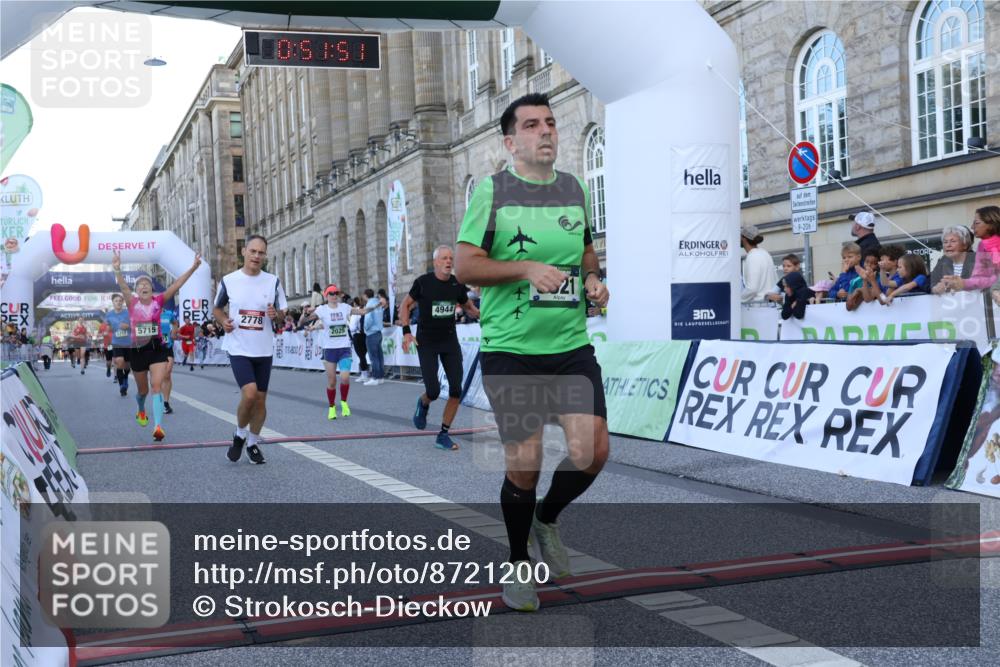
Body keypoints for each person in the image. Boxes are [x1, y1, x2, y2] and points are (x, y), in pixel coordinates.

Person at [455, 92, 611, 612]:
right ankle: (519, 562)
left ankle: (546, 517)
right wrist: (524, 269)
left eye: (550, 123)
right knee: (525, 462)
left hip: (569, 345)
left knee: (593, 453)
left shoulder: (574, 189)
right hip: (513, 351)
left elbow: (587, 247)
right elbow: (465, 267)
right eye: (531, 125)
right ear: (510, 141)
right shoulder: (492, 192)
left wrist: (591, 277)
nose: (545, 131)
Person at [213, 235, 287, 465]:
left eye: (261, 253)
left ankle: (252, 443)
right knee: (250, 394)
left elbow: (283, 312)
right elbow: (216, 308)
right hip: (239, 347)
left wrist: (278, 315)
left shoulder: (273, 281)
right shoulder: (229, 280)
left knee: (261, 402)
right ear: (244, 251)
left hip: (263, 349)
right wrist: (223, 321)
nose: (256, 256)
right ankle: (239, 433)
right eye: (252, 251)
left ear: (265, 256)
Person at [113, 252, 201, 442]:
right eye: (140, 284)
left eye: (146, 284)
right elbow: (122, 285)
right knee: (142, 391)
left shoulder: (159, 301)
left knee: (156, 386)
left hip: (156, 348)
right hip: (137, 350)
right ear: (136, 290)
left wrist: (193, 268)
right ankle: (141, 409)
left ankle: (158, 427)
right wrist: (117, 269)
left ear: (152, 288)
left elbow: (177, 285)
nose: (143, 285)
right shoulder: (132, 302)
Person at [400, 245, 481, 451]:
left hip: (449, 341)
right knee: (434, 391)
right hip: (426, 342)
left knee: (456, 389)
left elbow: (470, 309)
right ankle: (424, 402)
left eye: (451, 258)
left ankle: (443, 434)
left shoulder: (456, 284)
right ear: (435, 262)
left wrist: (490, 317)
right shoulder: (423, 283)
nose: (448, 262)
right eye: (444, 258)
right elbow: (405, 305)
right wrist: (406, 331)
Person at [302, 284, 354, 420]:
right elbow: (305, 320)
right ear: (326, 296)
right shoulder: (322, 309)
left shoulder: (345, 307)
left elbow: (362, 311)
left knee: (345, 378)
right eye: (331, 293)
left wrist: (375, 306)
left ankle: (344, 403)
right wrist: (304, 314)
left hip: (344, 348)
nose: (334, 295)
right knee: (332, 382)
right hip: (329, 349)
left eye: (336, 292)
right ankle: (331, 407)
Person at [940, 207, 1000, 294]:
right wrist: (960, 283)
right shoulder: (982, 245)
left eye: (976, 223)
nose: (972, 227)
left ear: (991, 223)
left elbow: (994, 278)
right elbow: (980, 277)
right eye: (945, 242)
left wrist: (964, 283)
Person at [930, 225, 976, 292]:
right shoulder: (943, 262)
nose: (948, 245)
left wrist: (963, 284)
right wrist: (935, 288)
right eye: (945, 242)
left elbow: (986, 282)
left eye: (953, 241)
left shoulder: (978, 260)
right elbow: (930, 281)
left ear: (965, 245)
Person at [740, 223, 777, 303]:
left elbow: (752, 288)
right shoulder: (765, 253)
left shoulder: (752, 257)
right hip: (769, 305)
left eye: (740, 236)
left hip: (759, 307)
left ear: (744, 238)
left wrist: (737, 300)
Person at [104, 294, 133, 396]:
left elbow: (134, 325)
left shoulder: (128, 313)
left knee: (127, 366)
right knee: (120, 362)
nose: (119, 302)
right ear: (113, 302)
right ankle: (122, 386)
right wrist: (107, 331)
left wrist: (128, 326)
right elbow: (107, 326)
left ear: (123, 302)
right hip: (116, 343)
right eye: (116, 301)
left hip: (128, 343)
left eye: (120, 301)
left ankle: (125, 378)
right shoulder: (109, 315)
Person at [359, 288, 385, 386]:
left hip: (371, 333)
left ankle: (375, 377)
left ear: (365, 295)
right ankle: (381, 377)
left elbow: (368, 319)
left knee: (373, 356)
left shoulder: (369, 304)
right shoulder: (377, 303)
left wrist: (365, 328)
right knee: (379, 356)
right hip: (378, 331)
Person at [349, 296, 370, 382]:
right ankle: (364, 373)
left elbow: (353, 326)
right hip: (362, 334)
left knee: (361, 355)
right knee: (362, 355)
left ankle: (364, 374)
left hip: (358, 335)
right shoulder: (363, 310)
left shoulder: (357, 312)